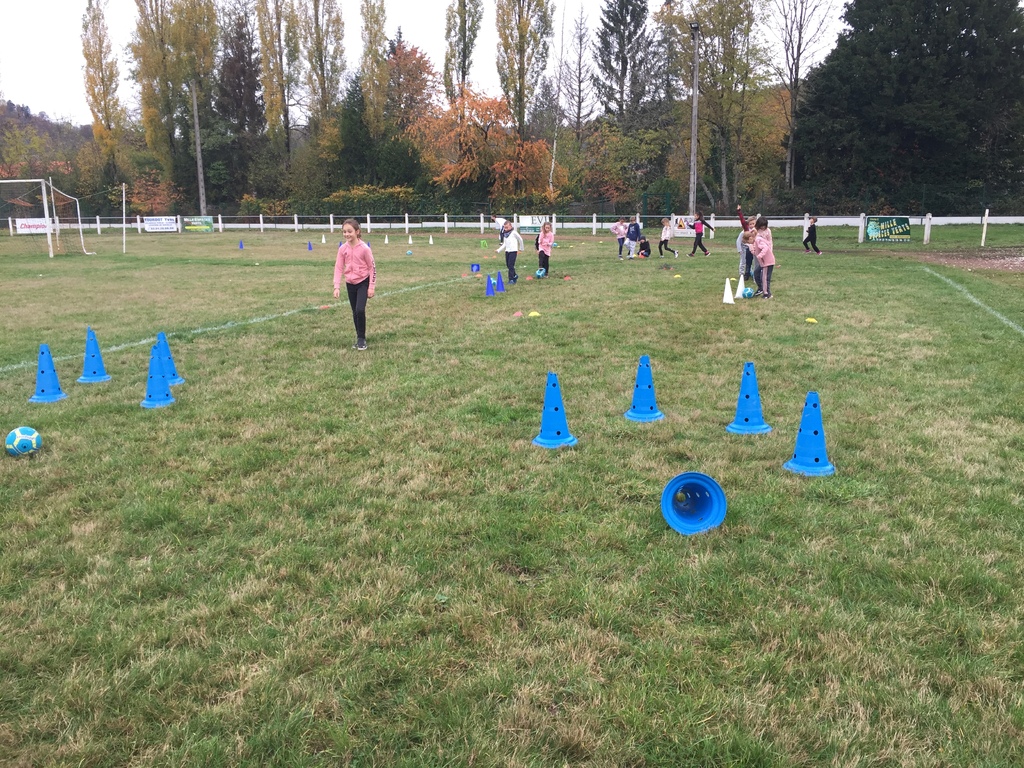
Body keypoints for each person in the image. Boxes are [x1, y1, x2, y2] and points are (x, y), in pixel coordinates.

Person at [333, 218, 376, 350]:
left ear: (357, 232)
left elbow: (372, 268)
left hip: (363, 282)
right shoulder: (342, 249)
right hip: (350, 283)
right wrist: (336, 286)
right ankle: (359, 337)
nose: (347, 234)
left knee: (360, 309)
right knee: (355, 312)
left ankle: (362, 339)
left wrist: (371, 287)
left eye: (349, 231)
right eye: (344, 232)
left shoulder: (364, 249)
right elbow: (338, 267)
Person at [749, 216, 776, 299]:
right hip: (759, 256)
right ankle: (761, 288)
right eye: (761, 226)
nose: (763, 227)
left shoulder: (766, 233)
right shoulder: (755, 232)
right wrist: (753, 250)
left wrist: (768, 252)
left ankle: (767, 293)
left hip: (766, 257)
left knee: (765, 276)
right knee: (756, 273)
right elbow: (751, 242)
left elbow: (769, 243)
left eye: (764, 226)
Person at [496, 219, 525, 283]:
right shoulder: (505, 234)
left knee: (511, 265)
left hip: (513, 251)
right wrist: (499, 250)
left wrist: (521, 248)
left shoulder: (514, 232)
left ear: (511, 226)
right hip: (507, 251)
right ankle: (514, 275)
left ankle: (511, 279)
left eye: (507, 227)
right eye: (505, 227)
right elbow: (505, 244)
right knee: (508, 265)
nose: (506, 229)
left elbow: (520, 239)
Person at [736, 204, 756, 280]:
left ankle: (751, 272)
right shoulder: (745, 230)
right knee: (743, 261)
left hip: (752, 248)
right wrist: (739, 211)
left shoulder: (756, 230)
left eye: (753, 224)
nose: (752, 225)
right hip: (744, 248)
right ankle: (741, 274)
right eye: (750, 224)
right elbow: (742, 221)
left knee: (752, 261)